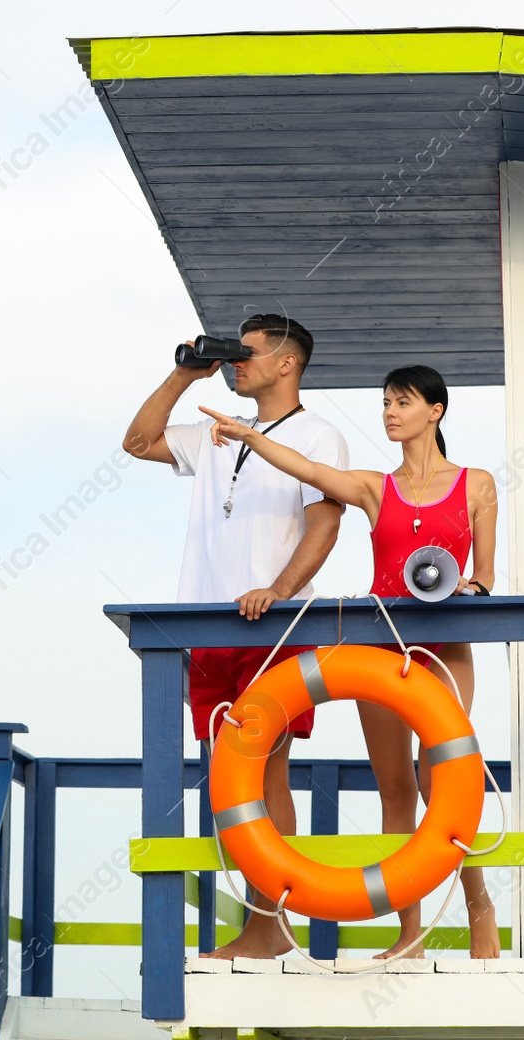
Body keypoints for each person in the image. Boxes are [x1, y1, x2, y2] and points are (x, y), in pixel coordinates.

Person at [199, 364, 501, 959]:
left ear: (435, 410)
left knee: (440, 778)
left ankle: (479, 907)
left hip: (445, 645)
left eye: (402, 402)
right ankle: (410, 935)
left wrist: (472, 587)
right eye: (385, 402)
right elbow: (311, 470)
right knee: (395, 790)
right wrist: (254, 437)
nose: (389, 412)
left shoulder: (477, 484)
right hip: (379, 645)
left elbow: (486, 575)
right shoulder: (372, 487)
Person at [124, 313, 349, 960]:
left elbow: (323, 526)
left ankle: (268, 927)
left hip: (271, 626)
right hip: (207, 625)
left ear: (287, 363)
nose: (234, 362)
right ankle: (261, 923)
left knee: (264, 772)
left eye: (246, 353)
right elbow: (138, 442)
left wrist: (278, 591)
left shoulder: (319, 435)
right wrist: (183, 372)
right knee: (229, 779)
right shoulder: (215, 432)